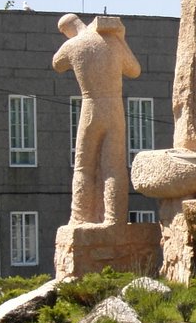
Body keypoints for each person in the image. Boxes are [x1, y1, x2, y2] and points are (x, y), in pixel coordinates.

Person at [53, 14, 142, 226]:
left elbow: (57, 63)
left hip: (90, 106)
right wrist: (120, 38)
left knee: (84, 165)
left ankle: (80, 217)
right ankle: (114, 218)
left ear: (67, 29)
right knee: (114, 166)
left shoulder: (72, 45)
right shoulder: (113, 42)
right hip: (114, 108)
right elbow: (135, 70)